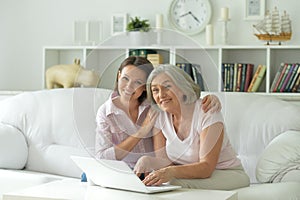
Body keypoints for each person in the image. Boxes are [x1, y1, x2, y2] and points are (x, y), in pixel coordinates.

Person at [134, 64, 250, 190]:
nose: (161, 95)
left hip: (227, 174)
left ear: (183, 87)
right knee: (162, 184)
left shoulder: (207, 111)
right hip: (189, 176)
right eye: (155, 90)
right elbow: (165, 163)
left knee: (173, 184)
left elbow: (206, 167)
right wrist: (147, 161)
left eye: (167, 86)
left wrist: (171, 172)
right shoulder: (160, 117)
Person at [95, 56, 222, 169]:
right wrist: (141, 133)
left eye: (138, 82)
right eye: (125, 78)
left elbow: (184, 98)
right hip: (122, 171)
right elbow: (102, 157)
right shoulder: (105, 113)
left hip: (153, 170)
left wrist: (212, 99)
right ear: (118, 76)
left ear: (146, 86)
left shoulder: (156, 105)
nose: (129, 86)